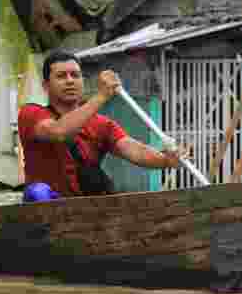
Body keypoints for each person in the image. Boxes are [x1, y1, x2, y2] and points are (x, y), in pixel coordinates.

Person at [17, 50, 189, 198]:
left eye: (75, 75)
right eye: (61, 76)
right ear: (45, 86)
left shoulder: (102, 125)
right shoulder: (31, 114)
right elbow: (58, 131)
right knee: (38, 191)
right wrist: (102, 96)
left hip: (86, 207)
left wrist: (166, 159)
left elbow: (134, 150)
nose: (70, 81)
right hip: (45, 208)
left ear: (82, 81)